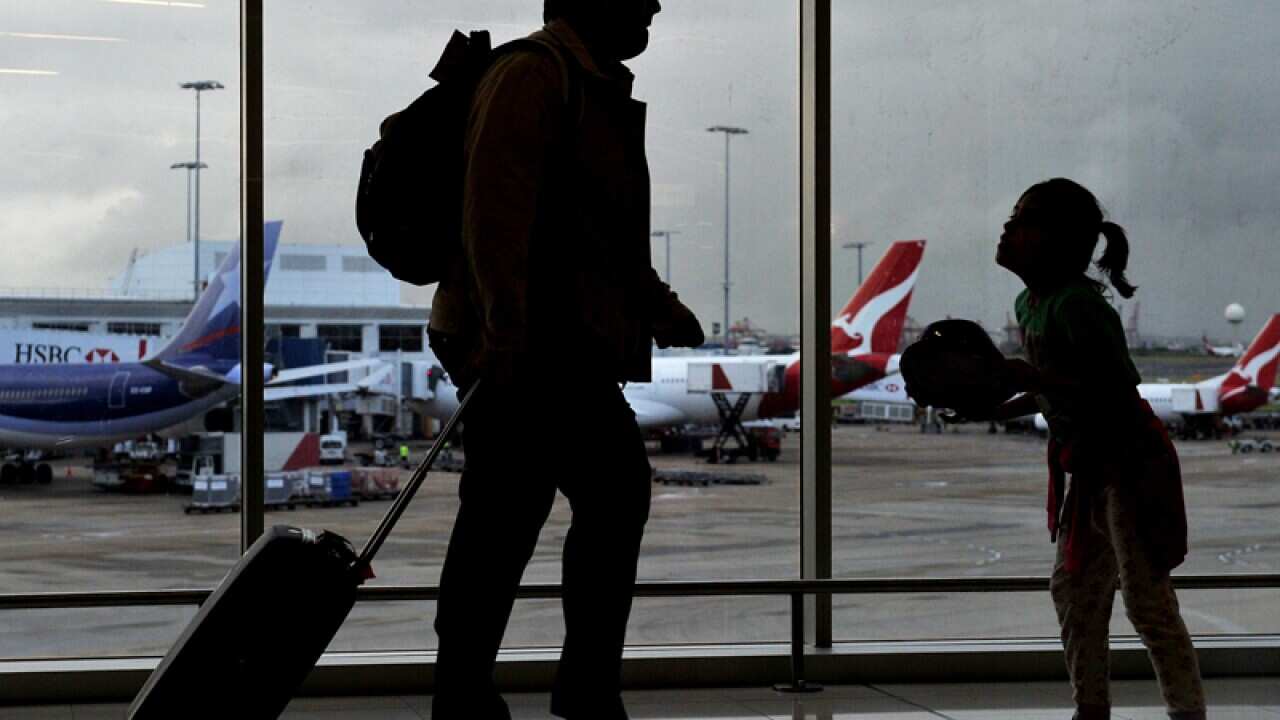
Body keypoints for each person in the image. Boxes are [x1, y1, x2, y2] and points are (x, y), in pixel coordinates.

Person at [425, 1, 703, 718]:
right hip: (528, 345)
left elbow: (595, 232)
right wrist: (505, 335)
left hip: (559, 345)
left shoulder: (586, 86)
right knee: (524, 517)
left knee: (533, 513)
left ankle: (515, 691)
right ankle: (498, 694)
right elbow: (493, 216)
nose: (652, 4)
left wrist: (658, 305)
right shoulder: (533, 76)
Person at [986, 178, 1205, 720]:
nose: (1007, 229)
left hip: (1127, 468)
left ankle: (1186, 713)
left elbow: (1110, 391)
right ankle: (1092, 707)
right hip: (1088, 469)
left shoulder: (1077, 308)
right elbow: (1056, 385)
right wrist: (998, 401)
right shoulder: (1031, 302)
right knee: (1075, 594)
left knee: (1147, 604)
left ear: (1054, 241)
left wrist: (1029, 379)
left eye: (1021, 221)